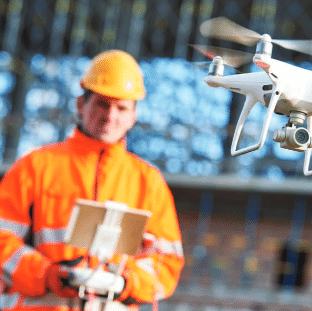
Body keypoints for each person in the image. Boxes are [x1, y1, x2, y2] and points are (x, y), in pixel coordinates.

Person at [0, 50, 184, 310]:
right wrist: (47, 274)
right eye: (102, 103)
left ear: (133, 116)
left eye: (121, 107)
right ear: (80, 104)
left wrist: (127, 281)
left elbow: (167, 261)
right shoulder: (36, 166)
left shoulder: (148, 181)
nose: (111, 116)